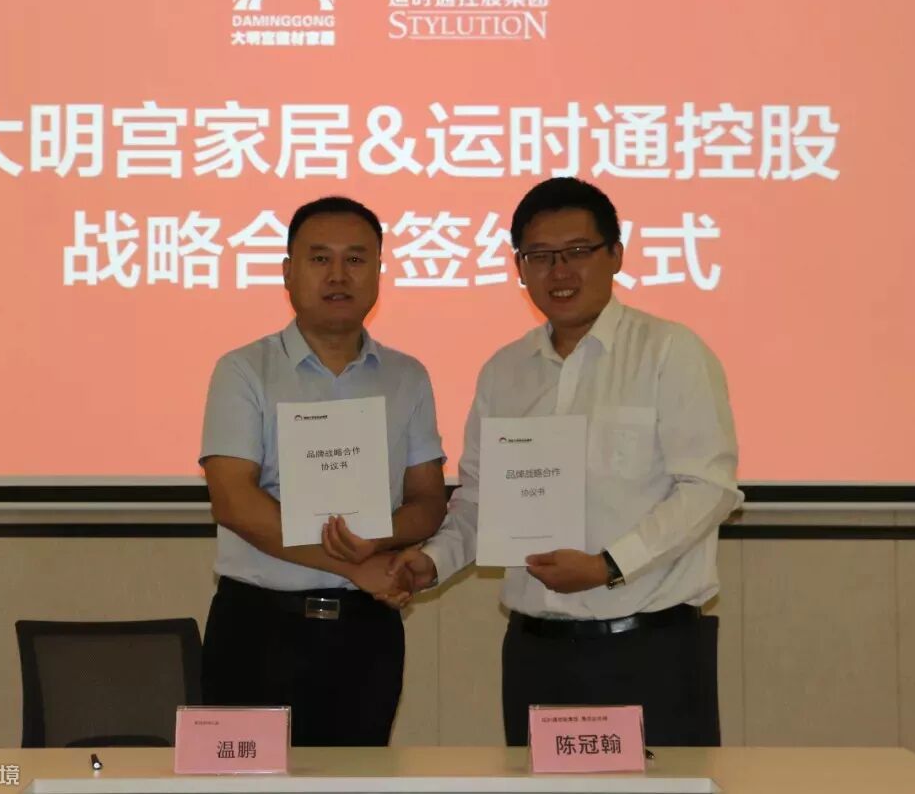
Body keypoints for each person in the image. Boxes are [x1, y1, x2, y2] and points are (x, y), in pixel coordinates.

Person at [388, 177, 742, 747]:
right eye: (540, 256)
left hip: (650, 651)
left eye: (578, 251)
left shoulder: (669, 352)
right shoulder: (505, 372)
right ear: (519, 267)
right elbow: (480, 501)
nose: (560, 271)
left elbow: (708, 489)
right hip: (537, 655)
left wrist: (609, 565)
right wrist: (431, 562)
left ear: (616, 255)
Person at [199, 196, 447, 746]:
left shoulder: (407, 377)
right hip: (258, 627)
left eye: (356, 259)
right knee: (241, 783)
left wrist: (376, 542)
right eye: (319, 259)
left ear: (378, 271)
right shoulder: (244, 370)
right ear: (288, 272)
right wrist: (356, 564)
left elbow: (428, 501)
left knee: (358, 780)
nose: (338, 275)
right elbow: (233, 501)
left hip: (367, 632)